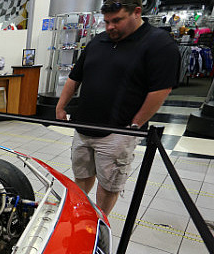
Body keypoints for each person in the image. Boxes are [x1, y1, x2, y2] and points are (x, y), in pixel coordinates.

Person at [55, 0, 180, 216]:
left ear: (137, 12)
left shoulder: (159, 43)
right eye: (106, 22)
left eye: (117, 20)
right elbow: (75, 77)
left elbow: (160, 89)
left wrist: (135, 124)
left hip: (118, 131)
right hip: (84, 125)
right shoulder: (98, 41)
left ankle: (100, 224)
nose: (110, 27)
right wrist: (60, 107)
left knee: (108, 183)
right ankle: (79, 216)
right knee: (82, 175)